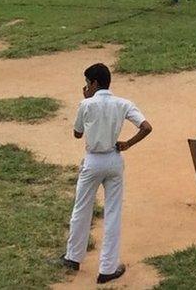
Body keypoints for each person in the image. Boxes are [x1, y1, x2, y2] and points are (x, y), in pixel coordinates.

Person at [60, 63, 152, 285]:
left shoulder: (86, 103)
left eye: (87, 83)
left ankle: (73, 257)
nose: (86, 87)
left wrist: (85, 100)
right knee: (113, 213)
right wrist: (128, 143)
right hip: (113, 159)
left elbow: (76, 133)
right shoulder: (123, 103)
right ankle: (107, 268)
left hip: (92, 161)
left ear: (94, 83)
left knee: (82, 208)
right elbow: (147, 127)